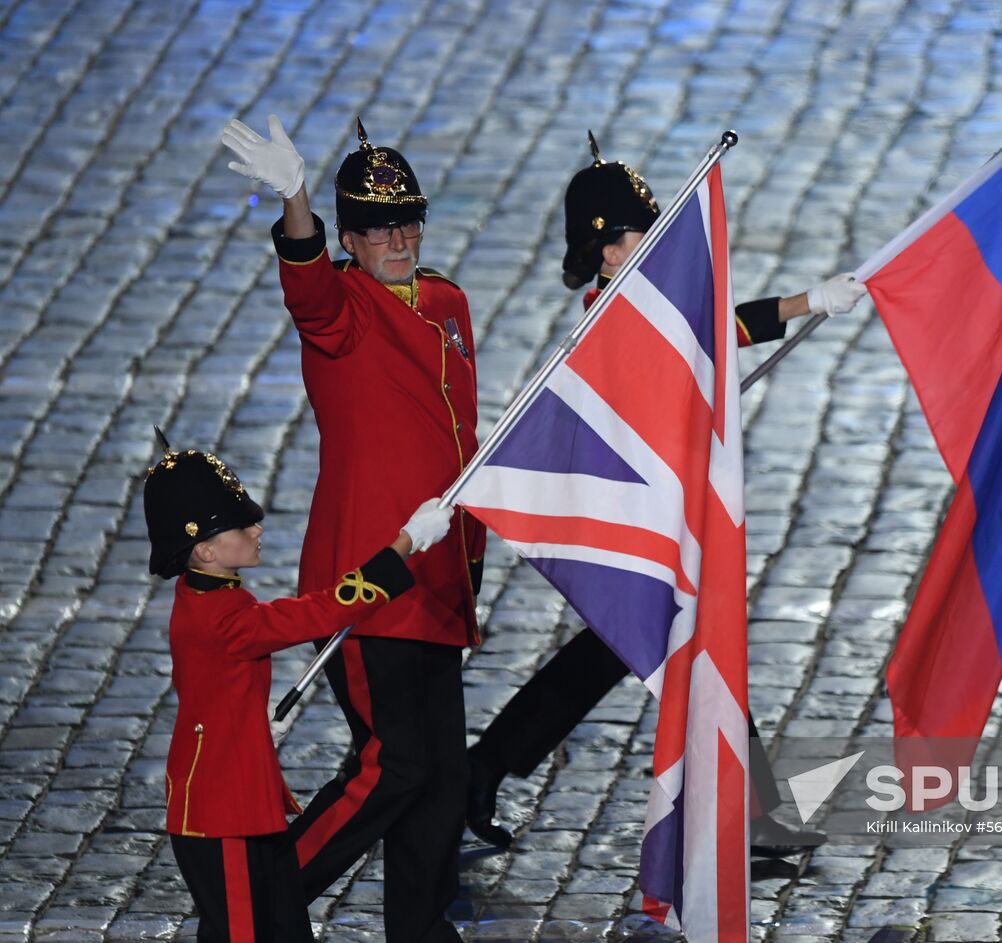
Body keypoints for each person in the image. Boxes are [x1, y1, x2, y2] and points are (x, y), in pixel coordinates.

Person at [463, 133, 866, 856]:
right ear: (604, 250)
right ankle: (749, 815)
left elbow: (720, 327)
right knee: (686, 648)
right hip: (647, 520)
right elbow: (711, 335)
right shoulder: (613, 316)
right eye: (631, 234)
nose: (645, 242)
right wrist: (804, 306)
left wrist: (815, 302)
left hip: (669, 512)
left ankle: (484, 767)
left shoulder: (644, 300)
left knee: (614, 657)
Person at [221, 115, 485, 942]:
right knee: (393, 763)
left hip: (441, 577)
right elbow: (304, 279)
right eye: (376, 228)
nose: (398, 237)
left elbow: (459, 427)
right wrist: (293, 196)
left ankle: (421, 928)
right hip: (369, 578)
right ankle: (263, 905)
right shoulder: (340, 308)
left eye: (408, 220)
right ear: (349, 238)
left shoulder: (446, 302)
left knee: (441, 777)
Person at [143, 429, 452, 942]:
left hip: (236, 799)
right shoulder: (224, 617)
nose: (258, 529)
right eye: (242, 526)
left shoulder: (206, 598)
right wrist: (404, 545)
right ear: (204, 551)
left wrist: (245, 719)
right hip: (227, 813)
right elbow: (321, 610)